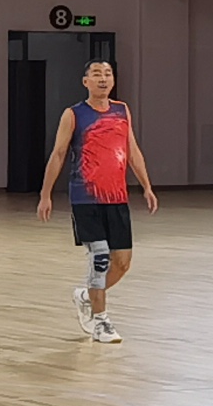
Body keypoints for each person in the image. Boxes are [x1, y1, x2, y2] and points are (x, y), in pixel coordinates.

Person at [36, 57, 157, 342]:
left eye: (108, 74)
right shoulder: (74, 114)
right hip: (86, 198)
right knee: (100, 258)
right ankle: (101, 322)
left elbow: (132, 150)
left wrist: (147, 186)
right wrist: (45, 194)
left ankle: (85, 295)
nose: (103, 78)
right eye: (97, 74)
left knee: (122, 263)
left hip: (117, 198)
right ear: (85, 81)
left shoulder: (122, 110)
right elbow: (58, 154)